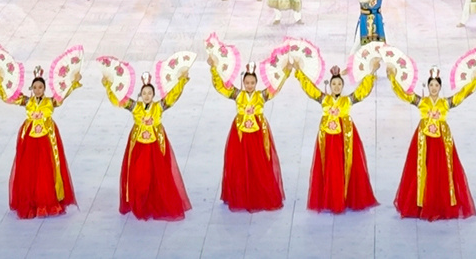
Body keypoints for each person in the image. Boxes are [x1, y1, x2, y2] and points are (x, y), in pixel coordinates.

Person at [389, 66, 476, 220]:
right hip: (423, 141)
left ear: (440, 87)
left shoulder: (445, 103)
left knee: (441, 171)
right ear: (427, 86)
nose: (433, 88)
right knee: (422, 170)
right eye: (431, 84)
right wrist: (392, 77)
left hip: (441, 141)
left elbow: (462, 94)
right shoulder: (422, 102)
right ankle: (420, 204)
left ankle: (440, 204)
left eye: (436, 85)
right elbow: (404, 94)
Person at [106, 71, 193, 221]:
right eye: (144, 93)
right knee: (139, 177)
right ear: (140, 94)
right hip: (139, 146)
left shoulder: (158, 107)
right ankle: (140, 204)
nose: (147, 96)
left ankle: (155, 202)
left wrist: (182, 80)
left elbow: (173, 96)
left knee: (156, 176)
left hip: (155, 146)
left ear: (153, 94)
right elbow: (119, 99)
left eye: (149, 93)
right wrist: (108, 84)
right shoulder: (135, 107)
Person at [1, 65, 79, 218]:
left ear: (44, 88)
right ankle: (31, 200)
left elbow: (63, 94)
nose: (37, 90)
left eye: (40, 87)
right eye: (35, 87)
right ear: (32, 88)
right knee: (29, 168)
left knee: (46, 168)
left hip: (46, 137)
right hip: (30, 138)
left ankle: (47, 201)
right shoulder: (27, 101)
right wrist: (0, 80)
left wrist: (74, 82)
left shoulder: (50, 101)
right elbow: (8, 97)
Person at [299, 60, 377, 211]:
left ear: (342, 86)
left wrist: (372, 73)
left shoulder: (347, 101)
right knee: (330, 167)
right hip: (328, 138)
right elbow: (310, 89)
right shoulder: (324, 99)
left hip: (345, 137)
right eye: (334, 84)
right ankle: (331, 198)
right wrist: (299, 72)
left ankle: (346, 197)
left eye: (339, 84)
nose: (336, 86)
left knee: (346, 165)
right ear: (330, 85)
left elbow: (362, 91)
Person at [211, 58, 285, 211]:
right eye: (247, 83)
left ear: (256, 83)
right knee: (239, 163)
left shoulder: (261, 95)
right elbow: (220, 86)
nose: (249, 85)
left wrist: (287, 70)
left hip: (258, 133)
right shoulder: (238, 95)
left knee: (259, 162)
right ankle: (240, 194)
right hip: (240, 133)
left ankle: (259, 193)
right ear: (243, 82)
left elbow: (276, 86)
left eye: (252, 82)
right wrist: (213, 68)